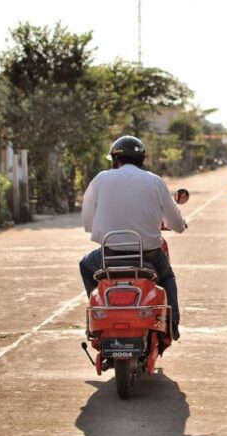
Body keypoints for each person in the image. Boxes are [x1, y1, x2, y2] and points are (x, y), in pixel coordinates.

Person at [80, 135, 187, 339]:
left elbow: (88, 222)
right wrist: (177, 226)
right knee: (166, 277)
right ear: (142, 159)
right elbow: (176, 223)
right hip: (149, 255)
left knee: (85, 265)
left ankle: (95, 318)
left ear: (115, 159)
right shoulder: (155, 181)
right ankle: (172, 323)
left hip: (111, 255)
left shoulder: (101, 178)